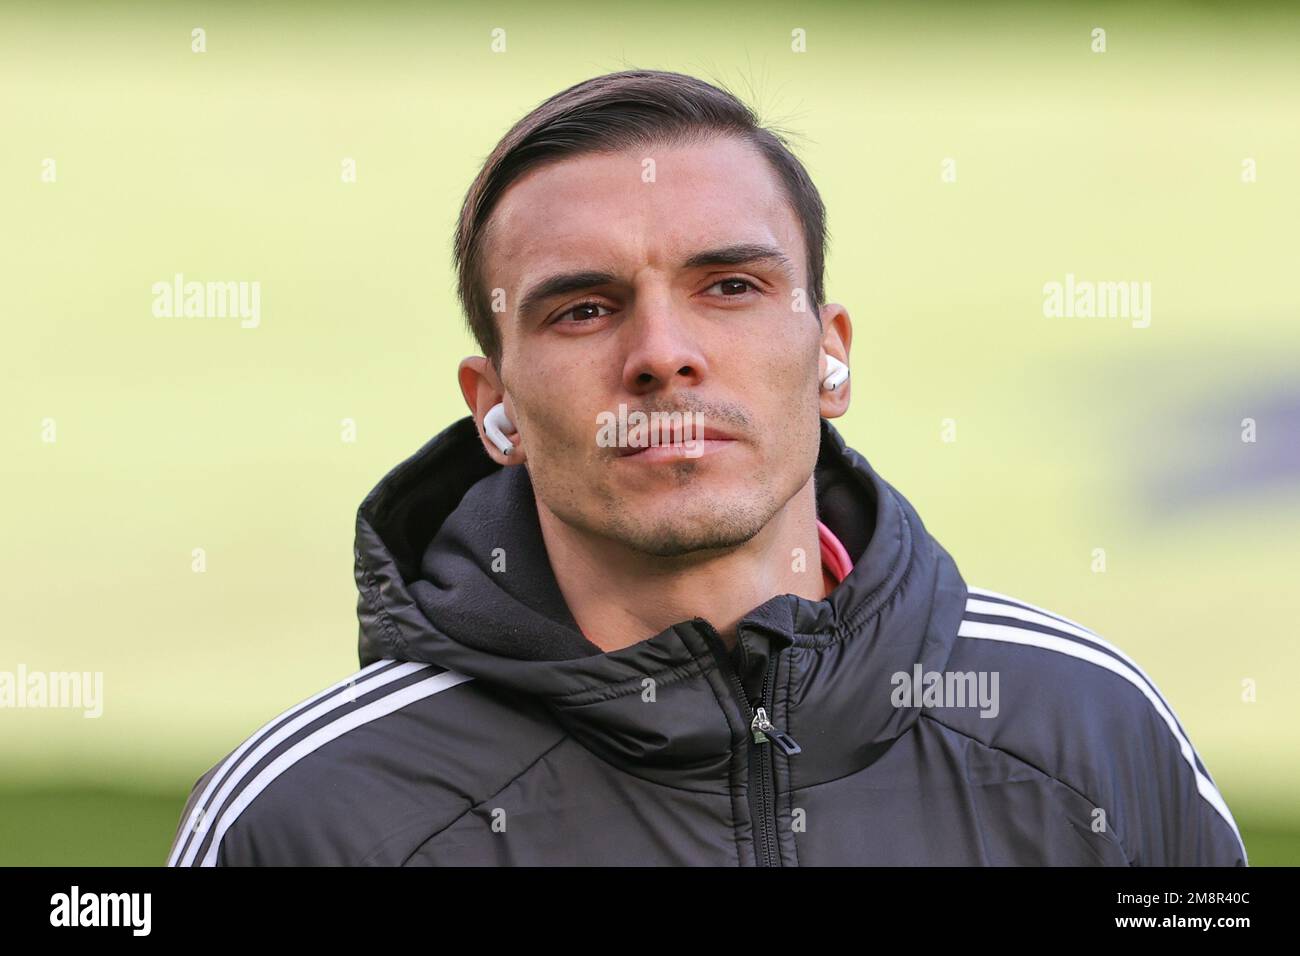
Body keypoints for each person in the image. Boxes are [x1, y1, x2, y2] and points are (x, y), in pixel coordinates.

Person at [166, 69, 1246, 866]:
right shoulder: (313, 816)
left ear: (831, 354)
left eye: (727, 286)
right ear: (494, 407)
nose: (660, 353)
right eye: (583, 308)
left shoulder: (1088, 731)